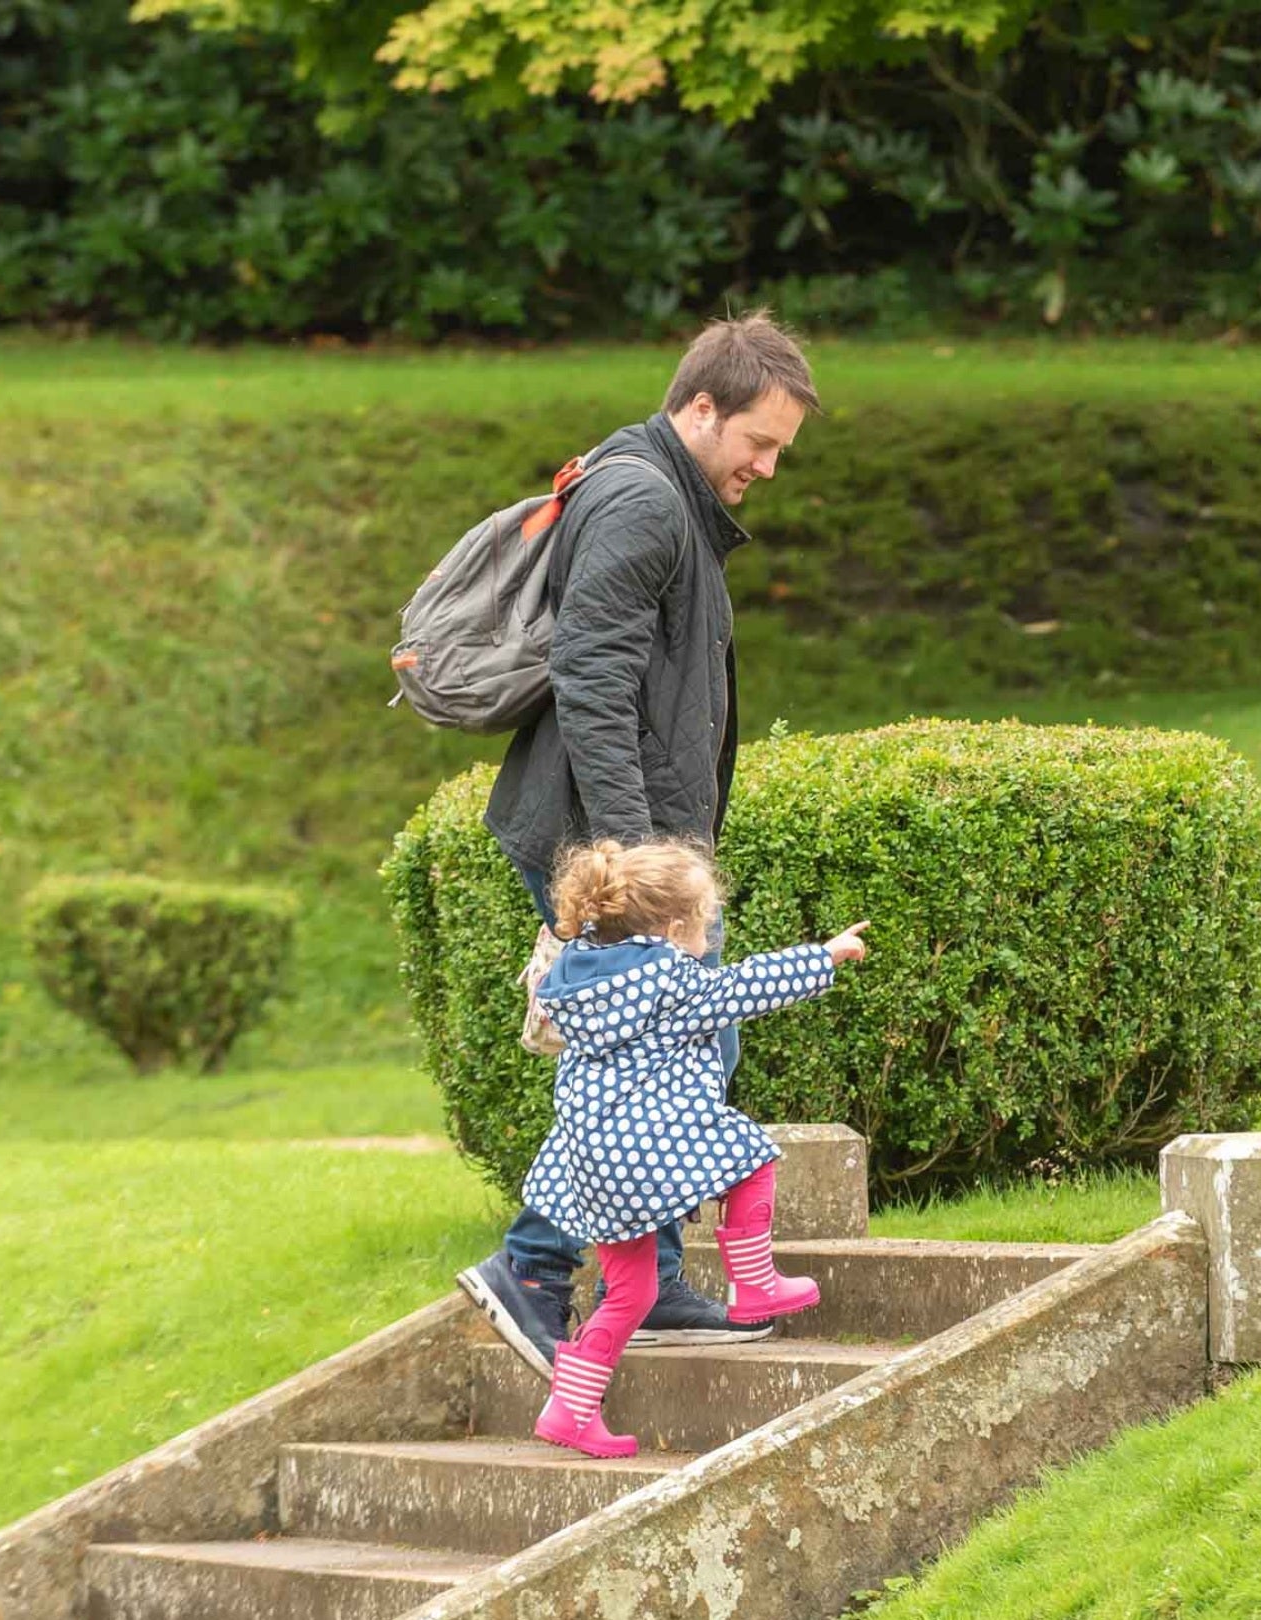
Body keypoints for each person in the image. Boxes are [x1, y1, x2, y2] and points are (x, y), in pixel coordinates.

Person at [457, 310, 821, 1374]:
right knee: (660, 1071)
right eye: (758, 441)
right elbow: (592, 681)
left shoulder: (663, 494)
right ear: (699, 408)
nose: (766, 466)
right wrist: (632, 875)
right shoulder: (642, 501)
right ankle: (528, 1271)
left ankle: (651, 1284)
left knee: (660, 1066)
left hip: (623, 847)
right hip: (610, 851)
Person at [517, 839, 870, 1458]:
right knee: (753, 1159)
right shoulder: (672, 978)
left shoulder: (578, 971)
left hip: (591, 1162)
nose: (709, 935)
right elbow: (747, 987)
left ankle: (570, 1409)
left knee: (631, 1292)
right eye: (706, 923)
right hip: (651, 1146)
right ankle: (754, 1285)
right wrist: (826, 955)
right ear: (676, 927)